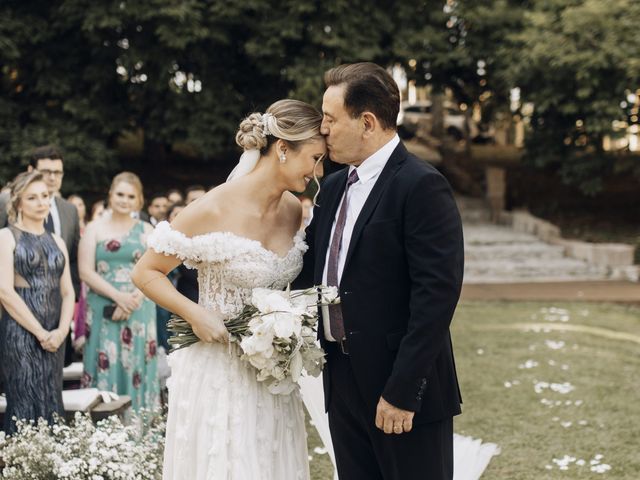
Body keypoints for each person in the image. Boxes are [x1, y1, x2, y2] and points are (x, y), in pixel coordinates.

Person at [131, 99, 325, 479]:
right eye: (315, 158)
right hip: (219, 370)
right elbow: (146, 272)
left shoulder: (292, 210)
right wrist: (195, 313)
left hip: (272, 376)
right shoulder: (212, 208)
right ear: (283, 149)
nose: (317, 173)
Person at [296, 62, 464, 480]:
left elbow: (436, 297)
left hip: (401, 388)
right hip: (342, 381)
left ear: (367, 122)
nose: (324, 130)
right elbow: (310, 272)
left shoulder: (421, 185)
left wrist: (403, 392)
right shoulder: (332, 187)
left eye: (331, 119)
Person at [0, 171, 75, 433]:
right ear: (18, 202)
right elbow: (5, 291)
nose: (41, 202)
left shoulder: (57, 241)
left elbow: (68, 292)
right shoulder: (6, 237)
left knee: (52, 400)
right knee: (23, 400)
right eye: (32, 197)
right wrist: (41, 333)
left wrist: (61, 332)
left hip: (55, 334)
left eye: (45, 196)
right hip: (21, 332)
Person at [78, 172, 160, 411]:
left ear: (139, 201)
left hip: (140, 306)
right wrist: (118, 298)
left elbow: (156, 270)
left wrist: (134, 299)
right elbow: (85, 271)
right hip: (104, 305)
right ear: (110, 195)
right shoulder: (94, 229)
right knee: (103, 359)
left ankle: (139, 429)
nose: (124, 200)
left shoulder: (147, 230)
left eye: (131, 196)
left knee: (137, 362)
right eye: (120, 194)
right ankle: (104, 434)